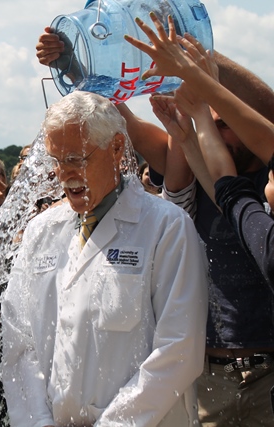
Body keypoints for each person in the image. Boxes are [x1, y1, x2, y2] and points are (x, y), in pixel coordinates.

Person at [1, 91, 208, 426]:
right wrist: (38, 421)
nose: (64, 174)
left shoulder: (166, 228)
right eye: (56, 160)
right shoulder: (40, 233)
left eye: (76, 159)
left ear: (115, 148)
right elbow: (19, 343)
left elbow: (178, 351)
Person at [126, 17, 274, 425]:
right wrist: (190, 134)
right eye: (217, 125)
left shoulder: (256, 212)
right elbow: (224, 189)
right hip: (210, 376)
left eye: (231, 123)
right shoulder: (244, 208)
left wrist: (192, 57)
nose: (221, 135)